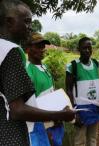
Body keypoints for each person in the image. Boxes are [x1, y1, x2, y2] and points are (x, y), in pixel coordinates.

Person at [0, 0, 75, 145]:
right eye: (26, 22)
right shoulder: (10, 51)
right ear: (9, 22)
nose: (30, 27)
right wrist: (61, 115)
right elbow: (18, 110)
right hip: (13, 134)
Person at [26, 32, 65, 146]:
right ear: (28, 49)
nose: (42, 49)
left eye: (43, 46)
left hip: (54, 120)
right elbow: (30, 105)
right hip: (41, 124)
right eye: (38, 46)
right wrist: (45, 127)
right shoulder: (28, 71)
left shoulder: (45, 66)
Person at [65, 37, 99, 146]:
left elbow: (98, 83)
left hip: (95, 107)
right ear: (78, 49)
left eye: (89, 48)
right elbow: (68, 90)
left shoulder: (96, 63)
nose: (87, 50)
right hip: (80, 110)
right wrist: (74, 111)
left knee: (92, 139)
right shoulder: (73, 66)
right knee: (80, 141)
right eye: (84, 48)